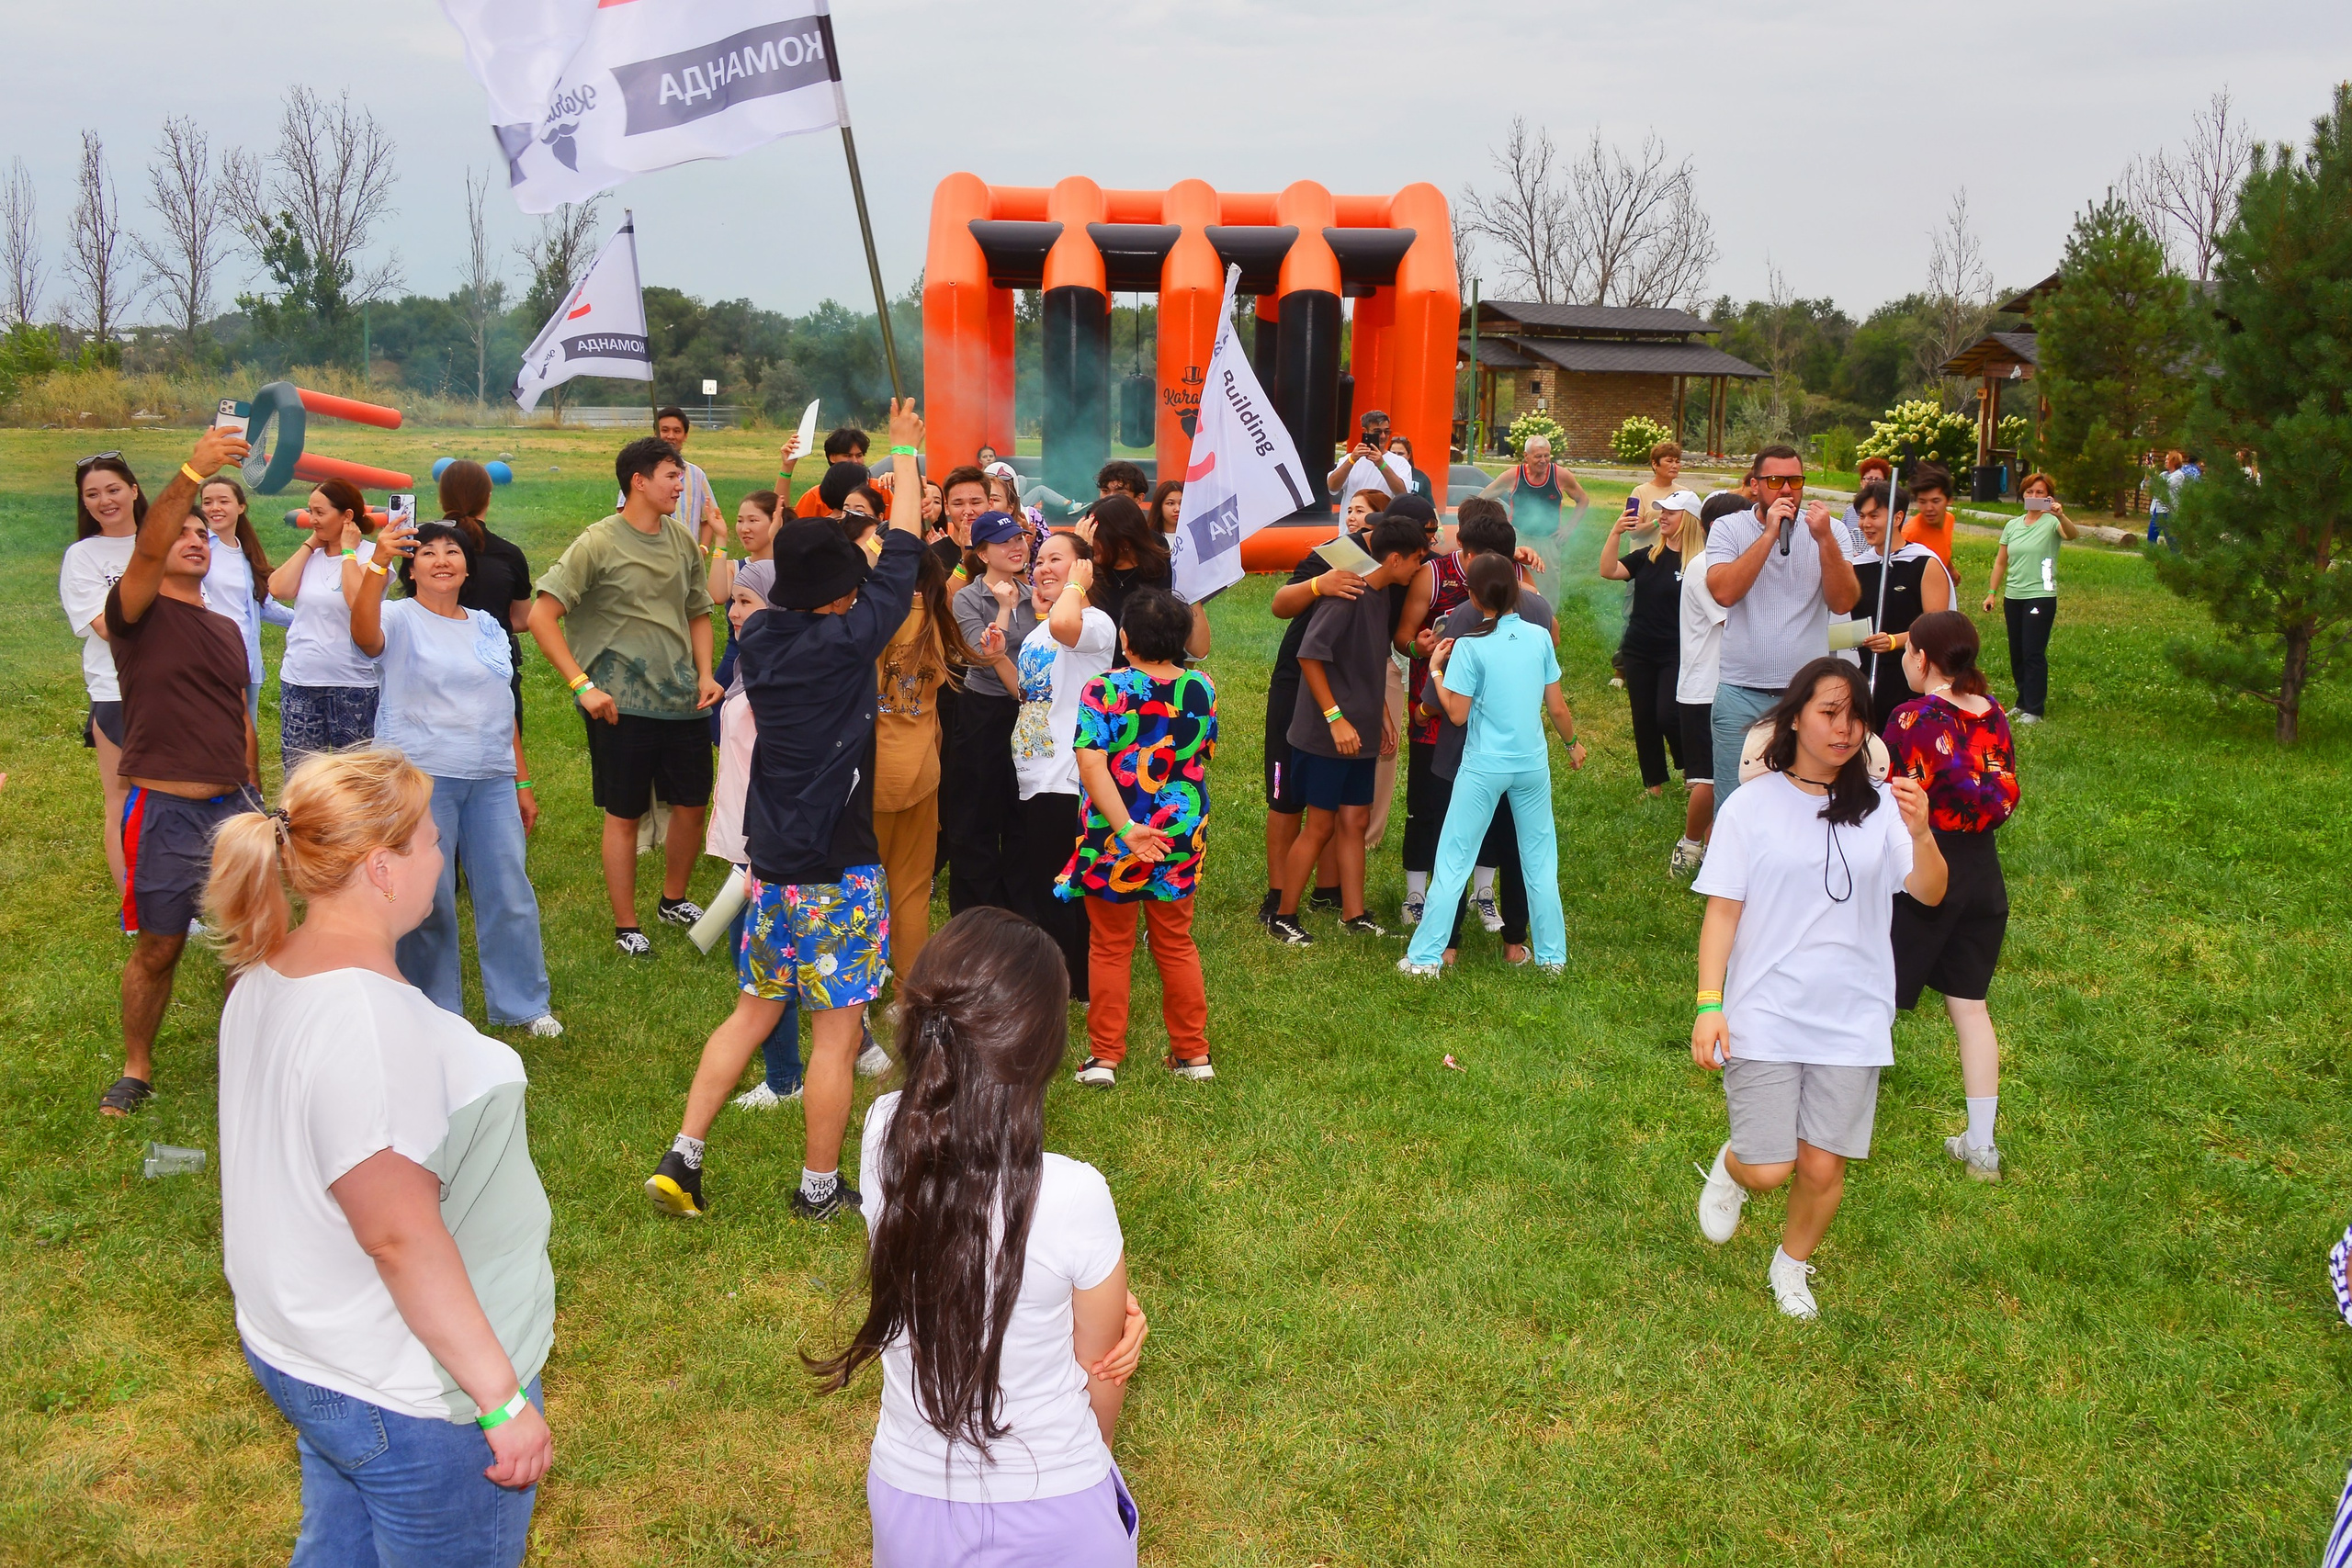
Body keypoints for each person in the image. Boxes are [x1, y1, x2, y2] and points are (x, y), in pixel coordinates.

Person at [208, 750, 554, 1563]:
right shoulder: (371, 1026)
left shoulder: (266, 971)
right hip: (408, 1391)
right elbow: (398, 1236)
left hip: (308, 1352)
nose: (443, 855)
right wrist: (501, 1402)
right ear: (382, 869)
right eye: (431, 840)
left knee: (339, 1542)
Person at [643, 400, 926, 1224]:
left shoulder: (760, 638)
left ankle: (683, 1156)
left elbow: (872, 563)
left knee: (751, 1012)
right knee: (837, 1038)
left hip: (769, 871)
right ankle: (816, 1188)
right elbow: (903, 548)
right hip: (840, 872)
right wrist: (904, 448)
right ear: (843, 591)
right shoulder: (852, 640)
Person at [811, 908, 1149, 1566]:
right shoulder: (1077, 1195)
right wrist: (1089, 1448)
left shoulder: (884, 1132)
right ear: (1043, 1050)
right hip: (1058, 1506)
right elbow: (1103, 1371)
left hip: (908, 1500)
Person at [1690, 658, 1948, 1319]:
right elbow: (1722, 912)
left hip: (1853, 1016)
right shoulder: (1751, 806)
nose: (1845, 729)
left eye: (1856, 716)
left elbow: (1929, 890)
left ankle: (1792, 1265)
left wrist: (1921, 834)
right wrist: (1709, 1004)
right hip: (1765, 1011)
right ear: (1795, 715)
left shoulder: (1885, 806)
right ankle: (1736, 1163)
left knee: (1823, 1168)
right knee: (1770, 1166)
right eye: (1830, 713)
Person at [95, 427, 261, 1117]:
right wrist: (195, 469)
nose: (195, 537)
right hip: (162, 811)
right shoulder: (135, 611)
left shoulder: (224, 626)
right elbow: (148, 542)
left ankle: (242, 1061)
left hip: (234, 808)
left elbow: (241, 716)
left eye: (204, 533)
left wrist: (256, 801)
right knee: (159, 948)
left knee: (244, 949)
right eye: (183, 531)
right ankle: (136, 1068)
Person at [349, 515, 559, 1037]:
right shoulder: (397, 617)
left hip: (490, 777)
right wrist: (376, 560)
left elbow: (502, 704)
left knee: (509, 891)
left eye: (453, 552)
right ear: (411, 567)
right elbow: (363, 632)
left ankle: (523, 1006)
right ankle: (434, 1011)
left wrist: (522, 780)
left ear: (467, 567)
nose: (442, 561)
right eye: (428, 553)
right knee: (429, 897)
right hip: (420, 780)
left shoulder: (488, 625)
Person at [529, 436, 721, 956]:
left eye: (681, 476)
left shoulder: (682, 540)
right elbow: (540, 615)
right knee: (625, 812)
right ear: (638, 481)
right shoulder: (597, 542)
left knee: (691, 804)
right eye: (671, 476)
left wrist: (705, 673)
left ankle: (672, 899)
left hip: (682, 698)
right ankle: (626, 925)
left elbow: (699, 611)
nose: (681, 485)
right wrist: (582, 685)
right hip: (620, 704)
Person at [1057, 589, 1216, 1088]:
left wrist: (1126, 829)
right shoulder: (1202, 687)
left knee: (1109, 945)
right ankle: (1194, 1055)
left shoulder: (1103, 689)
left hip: (1113, 838)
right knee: (1174, 941)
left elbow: (1090, 764)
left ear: (1124, 639)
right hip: (1177, 836)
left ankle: (1104, 1059)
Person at [1399, 552, 1585, 977]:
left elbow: (1457, 714)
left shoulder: (1467, 646)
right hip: (1532, 765)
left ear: (1471, 596)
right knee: (1539, 859)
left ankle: (1427, 957)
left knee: (1453, 858)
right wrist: (1572, 745)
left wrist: (1436, 673)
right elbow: (1556, 708)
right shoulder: (1539, 638)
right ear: (1517, 590)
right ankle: (1552, 957)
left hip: (1484, 766)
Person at [1883, 612, 2019, 1183]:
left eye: (1908, 649)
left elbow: (1881, 787)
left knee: (1876, 995)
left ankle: (1825, 1119)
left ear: (1924, 658)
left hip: (1926, 865)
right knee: (1970, 1008)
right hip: (1984, 872)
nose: (1904, 658)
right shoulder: (1993, 713)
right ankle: (1982, 1147)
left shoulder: (1911, 717)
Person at [1267, 513, 1429, 944]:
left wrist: (1381, 716)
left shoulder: (1380, 596)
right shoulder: (1346, 596)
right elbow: (1309, 656)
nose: (1419, 568)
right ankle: (1283, 915)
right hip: (1327, 735)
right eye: (1416, 559)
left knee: (1354, 820)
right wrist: (1336, 719)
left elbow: (1369, 661)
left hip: (1360, 732)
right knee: (1319, 825)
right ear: (1394, 559)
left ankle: (1354, 915)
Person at [1702, 445, 1861, 805]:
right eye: (1775, 481)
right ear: (1755, 485)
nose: (1787, 490)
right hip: (1742, 692)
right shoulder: (1728, 527)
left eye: (1795, 480)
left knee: (1807, 795)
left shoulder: (1831, 530)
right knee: (1734, 799)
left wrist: (1824, 542)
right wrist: (1770, 535)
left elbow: (1843, 602)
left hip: (1808, 697)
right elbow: (1724, 592)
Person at [706, 560, 807, 1112]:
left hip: (766, 841)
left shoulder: (781, 676)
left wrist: (758, 851)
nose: (734, 611)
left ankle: (786, 1079)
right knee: (789, 949)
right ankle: (857, 1046)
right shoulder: (752, 665)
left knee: (761, 955)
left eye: (747, 601)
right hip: (752, 839)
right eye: (734, 601)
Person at [1010, 531, 1115, 998]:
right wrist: (998, 659)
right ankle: (1064, 977)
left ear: (1082, 569)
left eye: (1058, 559)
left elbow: (1065, 627)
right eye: (1041, 559)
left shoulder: (1094, 622)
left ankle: (1079, 983)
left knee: (1063, 887)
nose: (1044, 567)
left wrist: (1075, 586)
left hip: (1068, 776)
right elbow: (1033, 693)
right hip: (1036, 772)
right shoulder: (1042, 625)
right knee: (1046, 883)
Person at [873, 542, 971, 979]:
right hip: (923, 772)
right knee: (911, 891)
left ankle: (855, 991)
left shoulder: (874, 621)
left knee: (859, 892)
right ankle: (909, 991)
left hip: (873, 775)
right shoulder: (937, 621)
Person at [62, 453, 148, 894]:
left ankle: (178, 901)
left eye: (113, 489)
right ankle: (134, 907)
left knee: (174, 800)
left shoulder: (166, 539)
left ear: (133, 489)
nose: (104, 500)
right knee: (123, 800)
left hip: (177, 688)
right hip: (119, 691)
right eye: (92, 494)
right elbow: (106, 626)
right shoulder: (84, 556)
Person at [944, 510, 1035, 914]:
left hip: (1029, 714)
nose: (1016, 547)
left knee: (1021, 811)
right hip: (983, 713)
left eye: (1019, 539)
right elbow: (979, 655)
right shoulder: (967, 597)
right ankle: (978, 909)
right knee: (976, 812)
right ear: (982, 554)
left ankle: (1019, 906)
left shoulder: (1037, 597)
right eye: (1004, 543)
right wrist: (1001, 609)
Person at [268, 478, 381, 774]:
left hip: (354, 683)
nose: (312, 520)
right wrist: (310, 544)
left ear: (346, 516)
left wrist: (347, 552)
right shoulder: (312, 555)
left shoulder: (373, 557)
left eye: (320, 513)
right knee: (301, 777)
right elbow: (278, 589)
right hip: (301, 680)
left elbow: (358, 600)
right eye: (310, 512)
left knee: (355, 780)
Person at [1600, 490, 1699, 797]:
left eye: (1671, 512)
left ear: (1690, 519)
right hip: (1638, 650)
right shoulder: (1647, 556)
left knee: (1668, 714)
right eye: (1661, 511)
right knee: (1644, 718)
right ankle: (1653, 783)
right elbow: (1609, 570)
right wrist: (1616, 532)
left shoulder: (1699, 564)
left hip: (1676, 651)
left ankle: (1691, 769)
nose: (1662, 516)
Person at [435, 461, 536, 733]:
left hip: (434, 666)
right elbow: (524, 619)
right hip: (495, 669)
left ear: (441, 499)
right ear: (488, 499)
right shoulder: (508, 553)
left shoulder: (422, 551)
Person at [1671, 493, 1742, 876]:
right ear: (1716, 529)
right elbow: (1732, 622)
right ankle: (1690, 844)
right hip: (1703, 688)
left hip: (1735, 682)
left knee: (1735, 772)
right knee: (1708, 778)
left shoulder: (1730, 566)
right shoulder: (1703, 567)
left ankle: (1720, 849)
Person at [1846, 479, 1954, 728]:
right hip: (1865, 676)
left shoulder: (1924, 563)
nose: (1866, 524)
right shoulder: (1858, 567)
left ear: (1897, 518)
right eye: (1862, 516)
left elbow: (1936, 628)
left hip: (1911, 677)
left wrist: (1894, 641)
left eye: (1874, 515)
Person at [1983, 471, 2077, 725]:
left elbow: (2072, 534)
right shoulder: (2012, 526)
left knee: (2033, 651)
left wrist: (2061, 515)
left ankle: (2035, 708)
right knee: (2017, 651)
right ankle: (2022, 701)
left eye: (2040, 493)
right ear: (2023, 495)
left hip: (2041, 595)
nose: (2034, 496)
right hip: (2013, 596)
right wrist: (1992, 592)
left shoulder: (2052, 523)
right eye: (2030, 492)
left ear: (2049, 497)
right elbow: (2001, 562)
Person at [197, 477, 293, 721]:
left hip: (247, 661)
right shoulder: (197, 549)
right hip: (210, 659)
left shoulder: (246, 552)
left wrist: (310, 618)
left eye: (223, 501)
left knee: (245, 738)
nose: (214, 508)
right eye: (207, 502)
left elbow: (264, 607)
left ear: (241, 507)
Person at [1476, 433, 1589, 570]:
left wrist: (1569, 529)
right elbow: (1481, 499)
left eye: (1546, 455)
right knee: (1515, 584)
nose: (1543, 460)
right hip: (1517, 538)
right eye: (1538, 456)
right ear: (1526, 456)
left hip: (1548, 540)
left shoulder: (1561, 475)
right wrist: (1495, 527)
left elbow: (1583, 500)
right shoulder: (1513, 476)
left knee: (1548, 588)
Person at [645, 406, 726, 546]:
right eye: (664, 430)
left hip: (686, 556)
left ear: (685, 436)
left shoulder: (697, 475)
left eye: (677, 431)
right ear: (655, 433)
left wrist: (703, 549)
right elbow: (624, 510)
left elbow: (709, 518)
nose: (670, 436)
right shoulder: (642, 470)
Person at [1327, 409, 1413, 516]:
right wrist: (1352, 460)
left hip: (1384, 528)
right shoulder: (1349, 459)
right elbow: (1332, 487)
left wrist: (1382, 465)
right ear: (1365, 431)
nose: (1383, 436)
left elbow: (1403, 493)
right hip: (1351, 528)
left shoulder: (1400, 462)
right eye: (1377, 432)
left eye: (1386, 432)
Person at [1899, 462, 1960, 579]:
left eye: (1936, 501)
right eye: (1922, 502)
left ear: (1949, 500)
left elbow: (1941, 546)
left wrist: (1950, 569)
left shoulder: (1949, 519)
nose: (1929, 508)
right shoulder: (1910, 533)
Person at [797, 425, 873, 515]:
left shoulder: (880, 488)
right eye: (848, 456)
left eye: (859, 456)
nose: (855, 461)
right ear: (832, 457)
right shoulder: (815, 496)